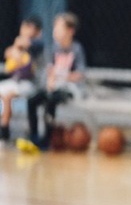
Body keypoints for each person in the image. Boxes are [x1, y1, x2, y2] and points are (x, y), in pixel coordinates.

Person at [26, 12, 86, 149]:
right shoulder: (53, 48)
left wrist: (63, 76)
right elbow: (50, 69)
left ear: (70, 31)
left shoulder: (76, 49)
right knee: (32, 100)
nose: (55, 31)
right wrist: (51, 81)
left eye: (59, 28)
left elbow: (80, 73)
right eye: (54, 28)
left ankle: (47, 139)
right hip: (55, 86)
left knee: (51, 100)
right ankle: (34, 136)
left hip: (70, 88)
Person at [0, 16, 44, 142]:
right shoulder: (19, 44)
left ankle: (4, 131)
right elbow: (8, 54)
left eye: (27, 28)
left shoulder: (38, 44)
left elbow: (18, 52)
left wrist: (16, 49)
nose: (24, 31)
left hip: (31, 84)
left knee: (8, 95)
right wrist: (15, 50)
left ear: (35, 30)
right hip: (16, 81)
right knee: (3, 93)